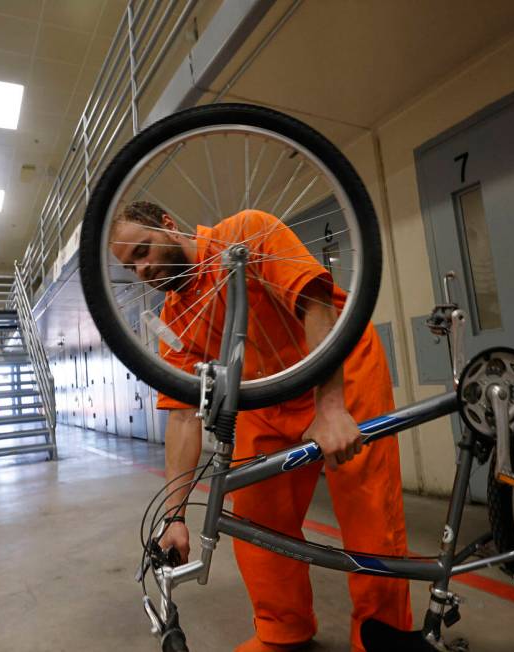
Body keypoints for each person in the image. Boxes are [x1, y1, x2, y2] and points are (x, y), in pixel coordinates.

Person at [111, 200, 411, 652]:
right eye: (129, 266)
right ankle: (283, 627)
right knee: (256, 513)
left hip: (337, 371)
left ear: (169, 226)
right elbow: (181, 414)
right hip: (265, 398)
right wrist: (173, 516)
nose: (142, 271)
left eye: (143, 251)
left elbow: (316, 306)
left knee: (367, 508)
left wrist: (330, 409)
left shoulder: (246, 232)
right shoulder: (176, 316)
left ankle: (382, 633)